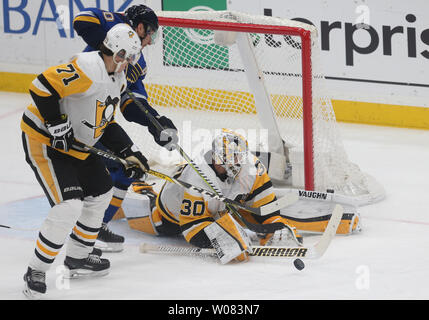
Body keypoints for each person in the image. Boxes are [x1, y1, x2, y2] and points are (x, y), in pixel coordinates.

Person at [20, 23, 149, 299]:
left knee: (101, 191)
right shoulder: (88, 67)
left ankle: (78, 257)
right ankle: (36, 269)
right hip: (45, 143)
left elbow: (106, 122)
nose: (131, 64)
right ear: (119, 54)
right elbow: (41, 85)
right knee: (69, 206)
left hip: (77, 145)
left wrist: (130, 151)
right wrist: (57, 124)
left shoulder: (116, 78)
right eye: (130, 58)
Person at [73, 5, 178, 252]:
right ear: (139, 27)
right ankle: (81, 242)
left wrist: (156, 123)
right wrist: (120, 30)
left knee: (127, 170)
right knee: (97, 180)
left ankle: (96, 228)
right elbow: (83, 19)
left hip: (100, 122)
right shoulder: (110, 42)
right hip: (76, 120)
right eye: (150, 32)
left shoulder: (135, 60)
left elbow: (132, 103)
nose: (150, 41)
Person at [121, 129, 304, 264]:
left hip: (217, 210)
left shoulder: (252, 167)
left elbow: (265, 206)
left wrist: (274, 223)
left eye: (238, 160)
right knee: (136, 212)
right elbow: (192, 227)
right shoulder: (197, 178)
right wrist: (222, 240)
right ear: (216, 157)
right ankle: (141, 188)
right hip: (169, 217)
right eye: (228, 161)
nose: (234, 166)